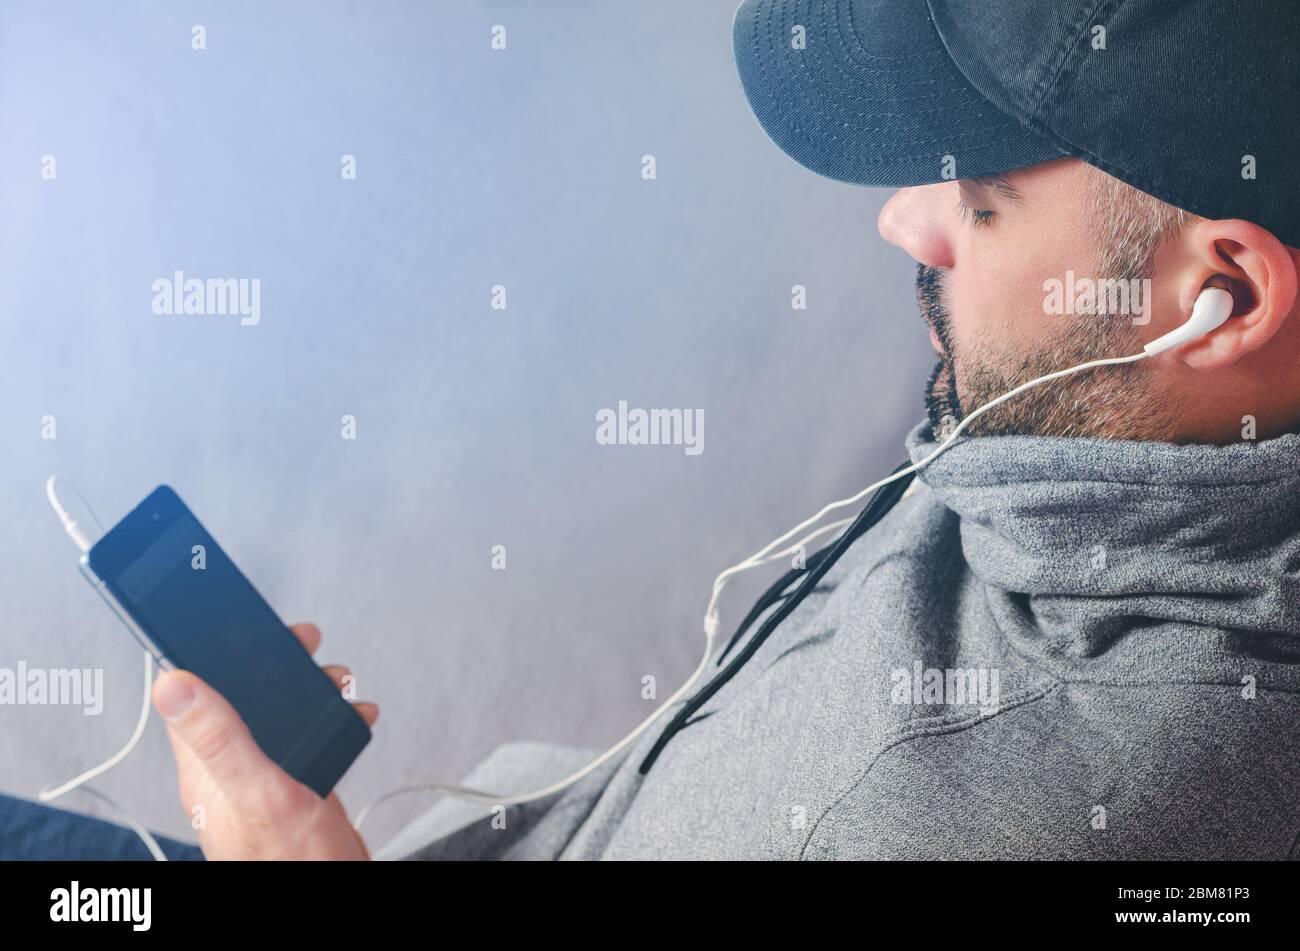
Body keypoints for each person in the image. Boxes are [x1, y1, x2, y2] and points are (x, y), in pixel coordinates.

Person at [7, 0, 1300, 860]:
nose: (906, 223)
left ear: (1222, 298)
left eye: (983, 200)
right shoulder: (1111, 434)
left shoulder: (1031, 809)